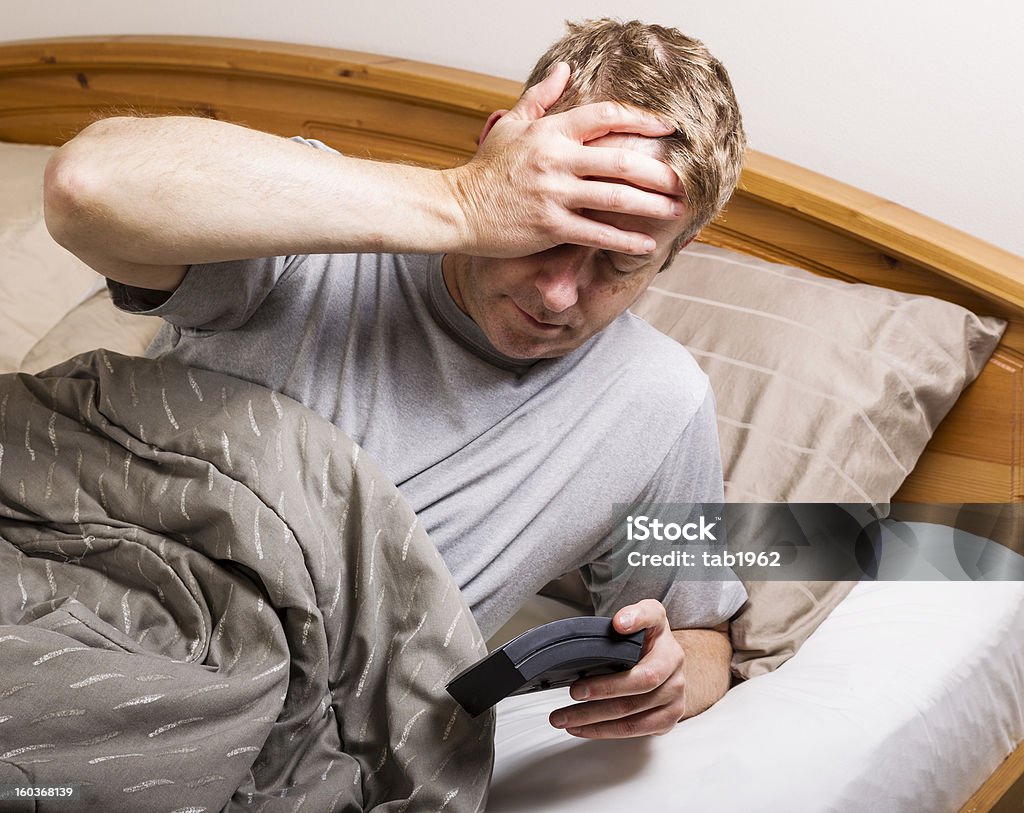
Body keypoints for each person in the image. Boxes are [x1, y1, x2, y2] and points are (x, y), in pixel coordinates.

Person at [43, 18, 747, 740]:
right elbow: (83, 184)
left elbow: (703, 637)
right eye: (551, 225)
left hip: (256, 716)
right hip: (70, 583)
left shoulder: (660, 402)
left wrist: (667, 680)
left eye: (620, 261)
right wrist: (465, 202)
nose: (559, 293)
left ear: (676, 250)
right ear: (498, 143)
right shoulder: (314, 215)